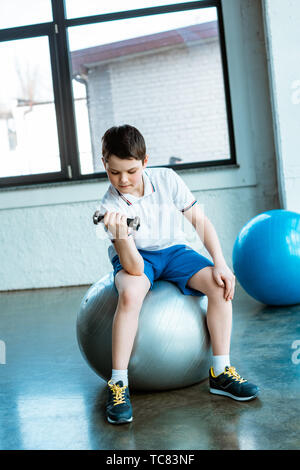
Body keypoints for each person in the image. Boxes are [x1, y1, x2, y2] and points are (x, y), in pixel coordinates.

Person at [96, 124, 259, 425]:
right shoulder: (109, 206)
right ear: (104, 163)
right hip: (136, 257)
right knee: (131, 294)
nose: (123, 180)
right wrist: (119, 234)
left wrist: (219, 262)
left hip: (173, 251)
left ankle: (221, 371)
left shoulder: (166, 179)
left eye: (130, 171)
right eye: (114, 171)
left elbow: (200, 221)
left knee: (218, 284)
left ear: (145, 162)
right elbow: (133, 267)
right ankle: (118, 384)